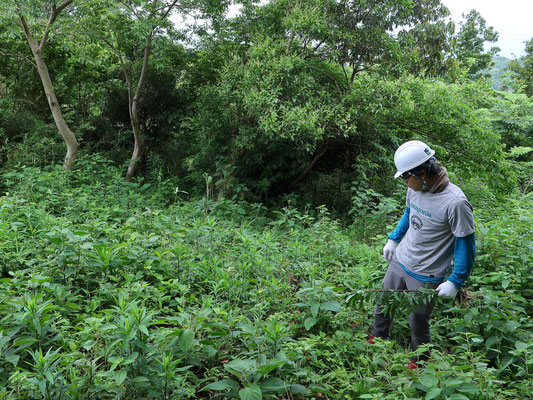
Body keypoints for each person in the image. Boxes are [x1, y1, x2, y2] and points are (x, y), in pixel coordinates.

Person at [369, 140, 476, 369]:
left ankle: (419, 361)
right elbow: (409, 213)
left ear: (423, 173)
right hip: (401, 260)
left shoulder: (455, 203)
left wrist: (455, 281)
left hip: (427, 273)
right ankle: (377, 339)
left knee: (417, 320)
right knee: (384, 301)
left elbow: (465, 245)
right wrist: (393, 238)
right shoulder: (415, 188)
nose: (405, 183)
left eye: (407, 177)